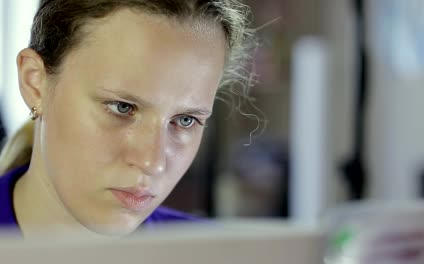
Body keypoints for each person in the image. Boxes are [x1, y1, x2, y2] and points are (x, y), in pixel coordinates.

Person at [0, 0, 254, 238]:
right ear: (35, 82)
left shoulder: (222, 256)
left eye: (185, 120)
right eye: (122, 107)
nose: (152, 162)